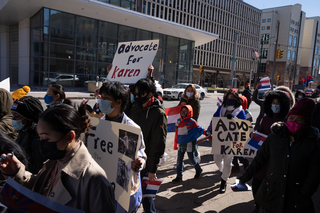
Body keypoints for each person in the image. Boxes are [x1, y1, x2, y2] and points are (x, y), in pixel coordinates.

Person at [0, 104, 115, 212]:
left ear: (69, 136)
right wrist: (17, 172)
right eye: (40, 137)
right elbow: (41, 191)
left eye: (46, 138)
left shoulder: (94, 178)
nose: (41, 143)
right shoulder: (55, 161)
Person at [238, 98, 320, 213]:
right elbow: (259, 160)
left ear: (306, 123)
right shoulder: (275, 136)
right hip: (271, 193)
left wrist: (304, 193)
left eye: (299, 120)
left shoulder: (312, 144)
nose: (293, 121)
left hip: (296, 200)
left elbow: (315, 174)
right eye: (291, 118)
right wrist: (243, 179)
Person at [98, 81, 147, 213]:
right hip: (102, 186)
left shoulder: (131, 129)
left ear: (118, 102)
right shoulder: (96, 126)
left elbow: (141, 154)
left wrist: (139, 162)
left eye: (106, 98)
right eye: (101, 97)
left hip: (123, 191)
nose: (102, 101)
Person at [130, 78, 167, 213]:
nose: (137, 97)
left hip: (145, 161)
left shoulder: (158, 114)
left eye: (141, 94)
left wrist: (152, 169)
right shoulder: (135, 108)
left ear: (150, 94)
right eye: (136, 94)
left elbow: (158, 143)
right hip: (131, 158)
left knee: (146, 196)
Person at [251, 90, 291, 212]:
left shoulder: (288, 121)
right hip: (263, 158)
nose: (275, 105)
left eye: (277, 103)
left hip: (278, 160)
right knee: (256, 183)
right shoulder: (265, 119)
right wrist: (255, 136)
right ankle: (257, 205)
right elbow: (261, 134)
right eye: (273, 102)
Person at [206, 88, 246, 193]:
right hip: (220, 139)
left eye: (232, 97)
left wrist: (234, 120)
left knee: (228, 162)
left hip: (233, 141)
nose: (230, 99)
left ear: (236, 99)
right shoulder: (221, 109)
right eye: (228, 97)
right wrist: (209, 130)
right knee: (217, 159)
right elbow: (214, 120)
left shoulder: (240, 111)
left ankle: (224, 181)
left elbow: (244, 125)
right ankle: (225, 171)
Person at [11, 96, 46, 174]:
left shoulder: (38, 138)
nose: (13, 119)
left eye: (17, 116)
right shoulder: (24, 130)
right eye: (12, 115)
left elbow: (39, 169)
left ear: (30, 117)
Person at [172, 105, 204, 183]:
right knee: (179, 160)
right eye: (182, 111)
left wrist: (207, 133)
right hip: (181, 143)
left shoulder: (192, 121)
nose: (183, 112)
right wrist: (176, 142)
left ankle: (198, 169)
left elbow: (199, 129)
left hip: (190, 143)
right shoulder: (179, 120)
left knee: (191, 159)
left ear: (189, 112)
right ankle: (179, 176)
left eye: (185, 111)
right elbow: (177, 132)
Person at [178, 84, 201, 162]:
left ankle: (196, 156)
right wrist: (181, 105)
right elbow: (178, 110)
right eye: (188, 90)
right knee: (182, 144)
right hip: (182, 126)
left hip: (191, 126)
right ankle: (180, 162)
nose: (189, 92)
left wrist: (190, 124)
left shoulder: (195, 101)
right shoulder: (183, 99)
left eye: (191, 91)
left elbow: (195, 115)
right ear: (185, 91)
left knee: (191, 144)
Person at [231, 95, 251, 174]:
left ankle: (245, 162)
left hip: (240, 135)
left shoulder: (246, 112)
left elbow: (246, 124)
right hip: (232, 134)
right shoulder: (233, 110)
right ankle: (235, 166)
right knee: (232, 152)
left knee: (237, 152)